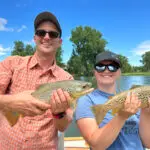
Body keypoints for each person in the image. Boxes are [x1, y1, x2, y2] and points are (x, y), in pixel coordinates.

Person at [0, 11, 74, 150]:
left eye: (53, 34)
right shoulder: (12, 64)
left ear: (59, 42)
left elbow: (63, 127)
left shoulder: (67, 79)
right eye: (41, 33)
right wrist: (12, 102)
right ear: (34, 38)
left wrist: (59, 113)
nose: (46, 37)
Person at [75, 51, 150, 150]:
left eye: (112, 67)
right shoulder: (86, 100)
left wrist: (146, 112)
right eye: (100, 67)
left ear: (119, 72)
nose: (106, 70)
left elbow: (148, 143)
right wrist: (121, 116)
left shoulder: (132, 97)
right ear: (94, 71)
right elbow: (96, 145)